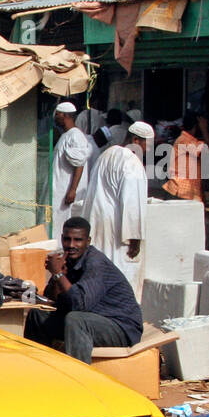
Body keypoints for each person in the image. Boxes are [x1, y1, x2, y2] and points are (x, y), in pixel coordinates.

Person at [23, 216, 143, 363]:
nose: (71, 245)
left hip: (121, 327)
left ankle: (78, 379)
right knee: (37, 316)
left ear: (88, 241)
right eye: (67, 239)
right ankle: (39, 369)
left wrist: (58, 274)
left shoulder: (96, 263)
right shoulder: (69, 259)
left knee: (75, 319)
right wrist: (57, 278)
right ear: (61, 238)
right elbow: (52, 298)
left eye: (78, 240)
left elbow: (79, 304)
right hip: (93, 321)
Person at [82, 120, 150, 294]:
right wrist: (134, 237)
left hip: (96, 221)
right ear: (136, 141)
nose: (148, 150)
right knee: (119, 271)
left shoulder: (106, 154)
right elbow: (132, 202)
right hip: (116, 226)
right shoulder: (132, 161)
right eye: (147, 145)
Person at [51, 101, 96, 233]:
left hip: (66, 191)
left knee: (64, 222)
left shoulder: (75, 135)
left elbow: (79, 163)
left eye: (57, 114)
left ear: (65, 116)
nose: (56, 118)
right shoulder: (65, 135)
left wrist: (73, 190)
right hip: (59, 189)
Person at [163, 110, 206, 201]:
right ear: (196, 126)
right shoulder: (184, 140)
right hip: (180, 191)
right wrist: (204, 129)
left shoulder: (191, 141)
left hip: (187, 192)